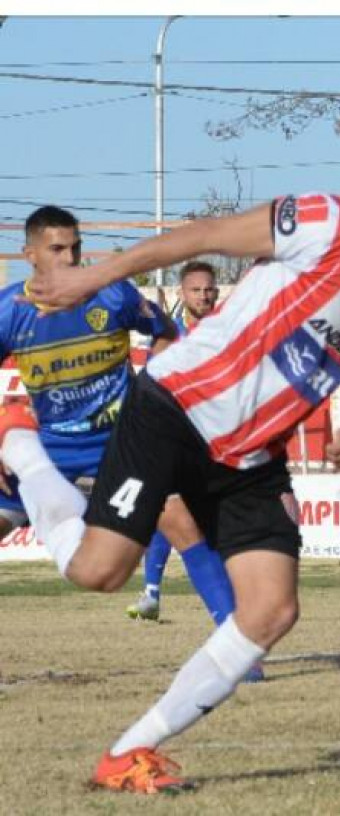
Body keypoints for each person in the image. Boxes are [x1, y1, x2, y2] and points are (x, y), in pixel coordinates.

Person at [2, 142, 340, 794]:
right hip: (175, 409)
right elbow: (204, 235)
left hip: (249, 456)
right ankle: (20, 446)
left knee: (271, 610)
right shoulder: (334, 223)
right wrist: (89, 278)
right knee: (101, 571)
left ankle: (128, 753)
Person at [0, 207, 236, 639]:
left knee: (184, 525)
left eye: (76, 247)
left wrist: (154, 395)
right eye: (57, 249)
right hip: (49, 446)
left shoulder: (113, 296)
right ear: (30, 254)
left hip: (123, 441)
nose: (70, 259)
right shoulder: (11, 310)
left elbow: (164, 333)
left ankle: (241, 647)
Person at [127, 260, 221, 622]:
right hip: (178, 438)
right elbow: (155, 384)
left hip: (216, 438)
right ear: (183, 293)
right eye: (196, 290)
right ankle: (152, 592)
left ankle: (155, 592)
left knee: (188, 518)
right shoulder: (169, 338)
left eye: (209, 289)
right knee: (168, 511)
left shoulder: (225, 332)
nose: (203, 295)